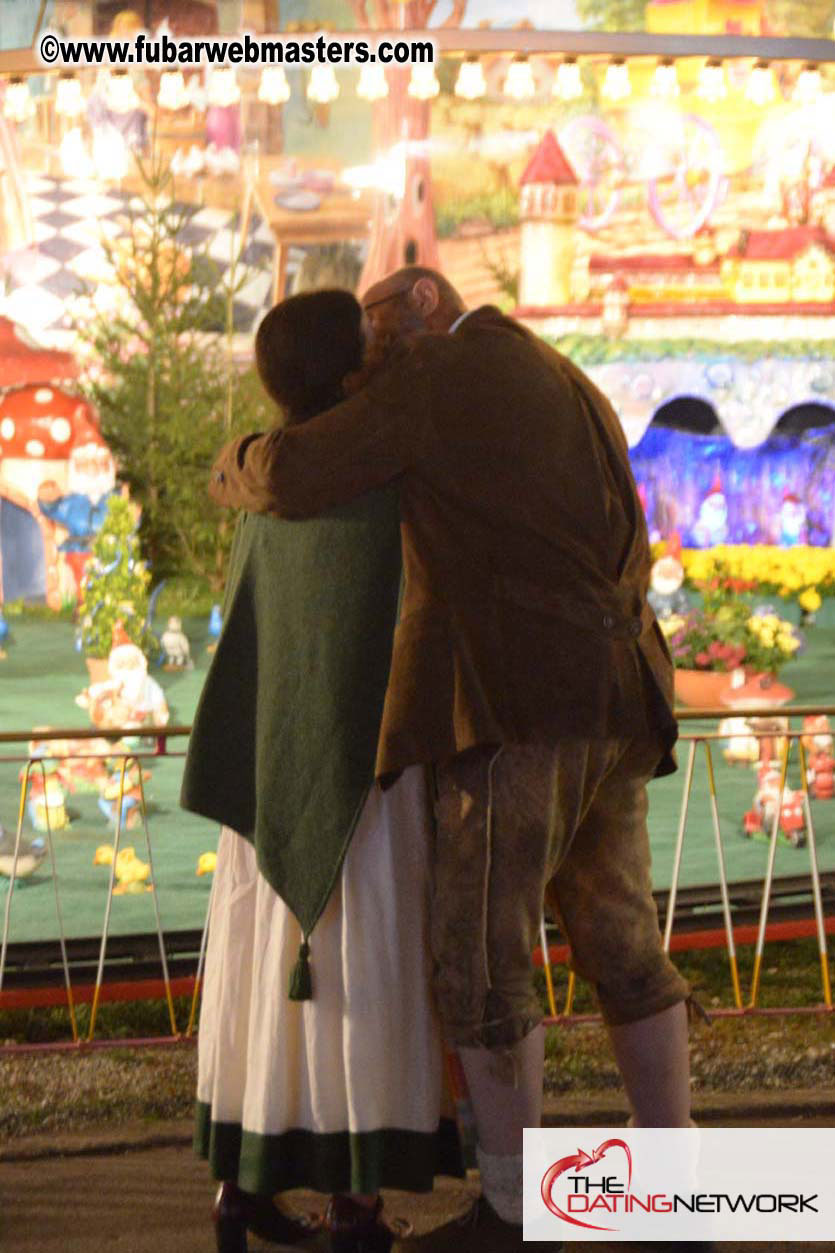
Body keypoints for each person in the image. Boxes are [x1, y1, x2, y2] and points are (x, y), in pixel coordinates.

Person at [209, 266, 693, 1252]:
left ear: (420, 304)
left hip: (515, 701)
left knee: (478, 961)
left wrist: (234, 460)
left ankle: (515, 1215)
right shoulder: (553, 366)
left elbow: (293, 472)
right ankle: (676, 1190)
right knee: (622, 946)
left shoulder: (433, 376)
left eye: (374, 327)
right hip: (617, 694)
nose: (365, 359)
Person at [183, 289, 463, 1253]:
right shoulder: (380, 483)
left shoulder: (263, 484)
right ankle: (355, 1204)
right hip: (367, 786)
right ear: (349, 371)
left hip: (267, 782)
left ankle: (241, 1188)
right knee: (358, 975)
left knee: (266, 979)